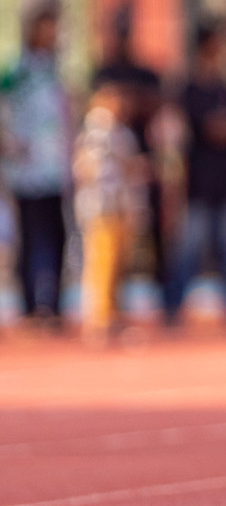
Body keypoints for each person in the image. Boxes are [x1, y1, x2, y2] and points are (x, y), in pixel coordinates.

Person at [165, 19, 226, 330]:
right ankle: (173, 305)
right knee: (190, 248)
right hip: (199, 181)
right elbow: (199, 129)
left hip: (225, 181)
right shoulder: (189, 88)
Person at [0, 3, 70, 329]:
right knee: (30, 238)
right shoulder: (17, 72)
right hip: (26, 171)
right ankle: (30, 307)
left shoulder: (53, 71)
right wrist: (9, 143)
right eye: (47, 27)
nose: (53, 34)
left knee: (58, 236)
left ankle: (53, 305)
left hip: (55, 170)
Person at [94, 8, 167, 307]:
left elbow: (157, 104)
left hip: (141, 163)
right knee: (106, 241)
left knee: (149, 232)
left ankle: (162, 293)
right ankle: (105, 305)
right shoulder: (103, 73)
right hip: (109, 181)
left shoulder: (145, 72)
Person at [73, 84, 148, 346]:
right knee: (101, 264)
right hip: (101, 207)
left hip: (119, 205)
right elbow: (86, 168)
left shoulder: (121, 132)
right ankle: (98, 320)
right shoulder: (97, 130)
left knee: (117, 264)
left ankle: (111, 315)